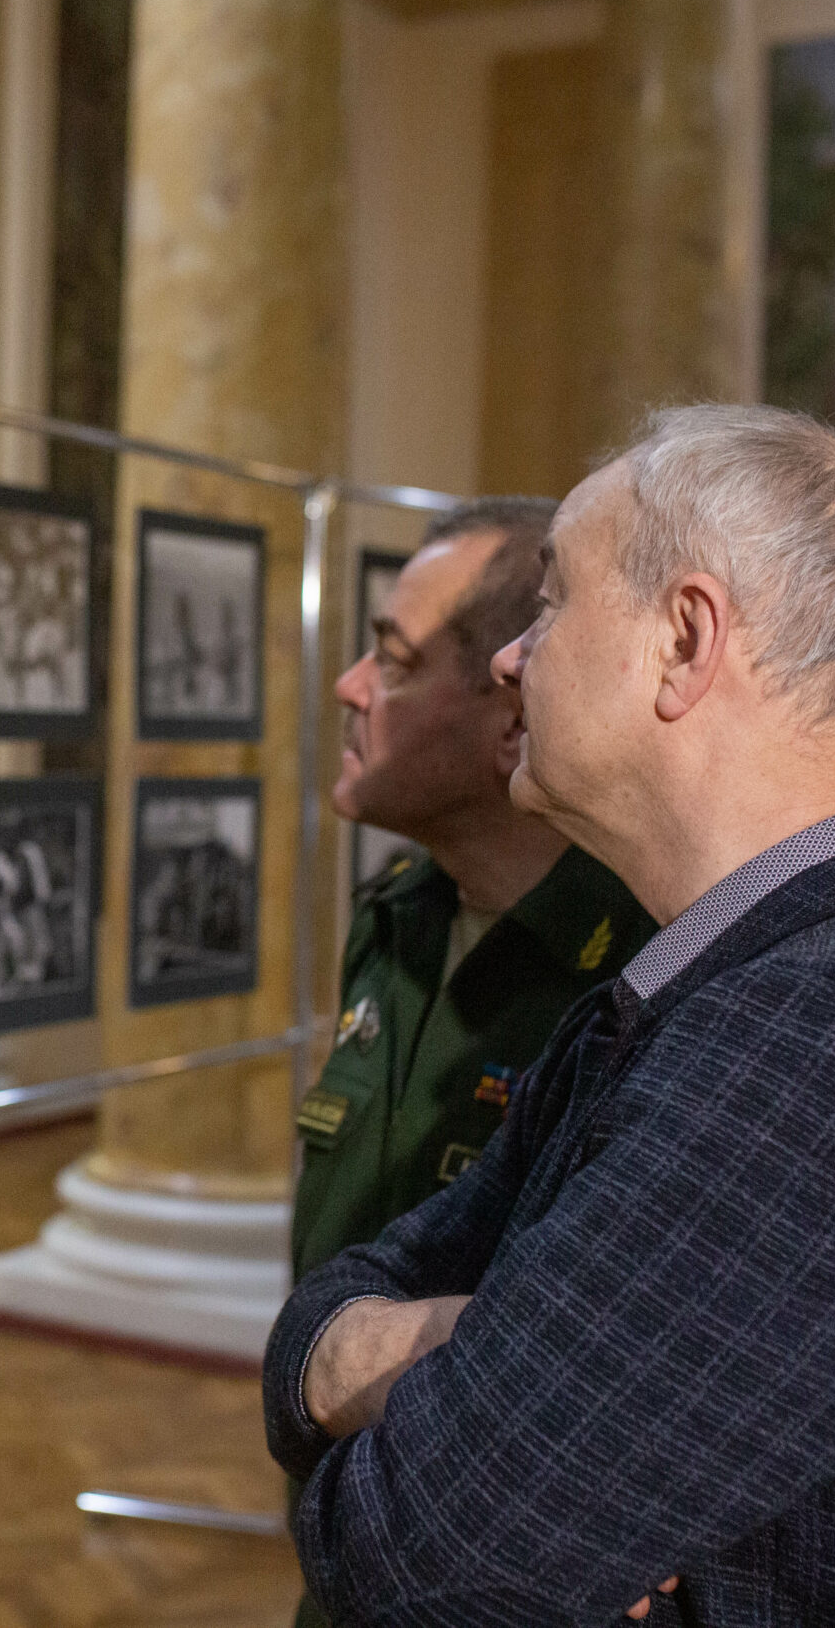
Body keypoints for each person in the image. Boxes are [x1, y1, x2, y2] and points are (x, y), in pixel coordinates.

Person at [264, 406, 835, 1624]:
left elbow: (421, 1566)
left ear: (682, 640)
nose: (513, 657)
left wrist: (369, 1361)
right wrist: (411, 1352)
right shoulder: (754, 984)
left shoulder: (827, 1048)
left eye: (553, 603)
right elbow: (334, 1305)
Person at [297, 499, 652, 1281]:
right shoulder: (396, 918)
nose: (349, 686)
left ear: (514, 724)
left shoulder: (635, 966)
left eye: (393, 661)